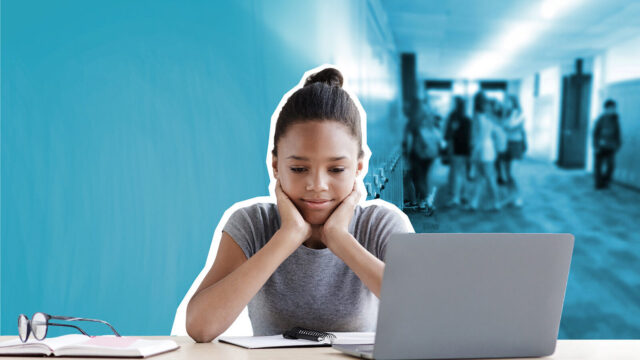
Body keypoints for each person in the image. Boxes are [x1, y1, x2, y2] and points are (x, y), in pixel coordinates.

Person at [185, 67, 413, 342]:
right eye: (299, 169)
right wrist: (288, 236)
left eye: (337, 169)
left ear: (359, 168)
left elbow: (421, 313)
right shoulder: (251, 224)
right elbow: (200, 327)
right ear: (275, 166)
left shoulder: (381, 225)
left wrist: (339, 238)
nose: (317, 185)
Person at [402, 98, 441, 212]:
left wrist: (407, 153)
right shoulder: (429, 118)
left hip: (418, 154)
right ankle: (423, 200)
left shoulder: (413, 123)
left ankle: (425, 201)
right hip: (430, 153)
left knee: (419, 178)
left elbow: (408, 140)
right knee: (423, 177)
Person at [467, 92, 501, 211]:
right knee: (483, 177)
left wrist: (472, 152)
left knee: (486, 176)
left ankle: (495, 202)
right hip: (487, 148)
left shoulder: (478, 116)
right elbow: (495, 133)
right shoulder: (490, 115)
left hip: (482, 149)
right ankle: (475, 202)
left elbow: (474, 137)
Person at [444, 96, 472, 207]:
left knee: (456, 173)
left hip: (456, 148)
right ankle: (464, 194)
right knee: (463, 172)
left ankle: (456, 197)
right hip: (466, 149)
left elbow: (448, 134)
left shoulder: (454, 117)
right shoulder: (467, 119)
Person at [500, 95, 526, 206]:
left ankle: (519, 196)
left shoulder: (520, 114)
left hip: (516, 144)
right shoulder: (506, 114)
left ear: (514, 102)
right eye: (505, 102)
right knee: (506, 173)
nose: (505, 104)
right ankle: (510, 196)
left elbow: (513, 127)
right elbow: (503, 127)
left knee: (514, 173)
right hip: (506, 143)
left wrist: (506, 127)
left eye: (508, 102)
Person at [593, 99, 622, 189]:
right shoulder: (600, 119)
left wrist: (618, 144)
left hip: (610, 147)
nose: (612, 110)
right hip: (600, 146)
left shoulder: (615, 120)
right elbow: (595, 133)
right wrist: (596, 146)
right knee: (598, 166)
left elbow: (618, 133)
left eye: (613, 108)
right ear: (605, 109)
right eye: (610, 108)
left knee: (611, 166)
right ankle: (599, 184)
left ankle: (605, 181)